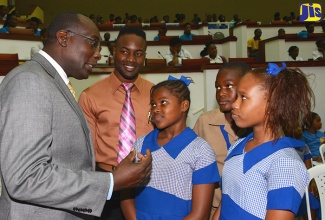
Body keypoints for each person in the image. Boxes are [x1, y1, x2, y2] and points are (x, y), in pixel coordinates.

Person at [0, 12, 152, 220]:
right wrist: (111, 182)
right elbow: (25, 177)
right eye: (93, 43)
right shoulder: (30, 81)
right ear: (64, 38)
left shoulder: (53, 83)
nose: (98, 54)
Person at [213, 62, 314, 219]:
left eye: (243, 97)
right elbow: (225, 202)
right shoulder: (238, 146)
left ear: (272, 103)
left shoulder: (285, 163)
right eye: (237, 96)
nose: (235, 104)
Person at [78, 25, 154, 220]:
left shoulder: (156, 94)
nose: (131, 60)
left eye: (138, 54)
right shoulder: (90, 96)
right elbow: (86, 153)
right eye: (124, 52)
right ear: (113, 52)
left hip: (147, 183)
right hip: (107, 183)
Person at [121, 76, 220, 219]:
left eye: (163, 103)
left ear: (184, 106)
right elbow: (126, 195)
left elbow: (200, 214)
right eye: (153, 104)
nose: (156, 109)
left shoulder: (201, 150)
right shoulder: (140, 144)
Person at [193, 62, 251, 218]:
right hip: (212, 208)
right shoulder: (205, 122)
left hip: (250, 208)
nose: (221, 93)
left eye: (228, 86)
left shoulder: (259, 125)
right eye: (218, 87)